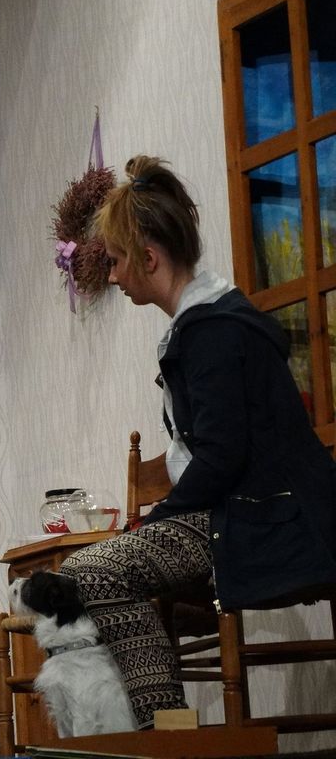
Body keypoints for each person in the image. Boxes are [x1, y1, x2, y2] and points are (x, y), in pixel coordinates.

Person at [60, 155, 336, 729]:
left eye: (115, 261)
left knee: (94, 571)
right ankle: (161, 731)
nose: (112, 276)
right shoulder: (211, 321)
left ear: (149, 259)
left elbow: (221, 455)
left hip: (253, 518)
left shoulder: (212, 331)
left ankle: (170, 737)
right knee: (87, 569)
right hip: (238, 509)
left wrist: (158, 517)